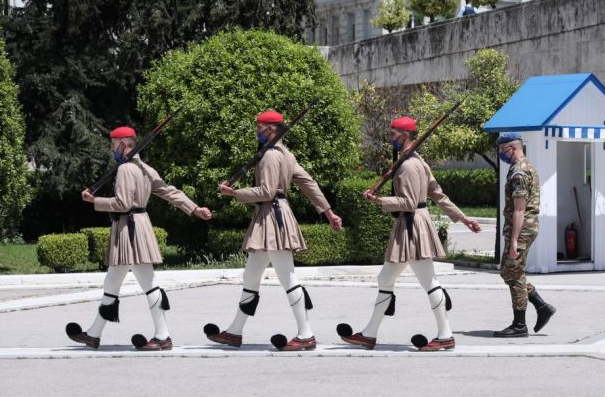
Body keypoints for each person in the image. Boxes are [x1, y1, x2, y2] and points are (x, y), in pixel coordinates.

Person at [337, 116, 481, 351]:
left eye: (393, 134)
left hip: (413, 226)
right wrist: (463, 218)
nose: (390, 138)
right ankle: (369, 333)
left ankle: (445, 335)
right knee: (386, 279)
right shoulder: (418, 162)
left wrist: (379, 200)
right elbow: (439, 195)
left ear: (404, 135)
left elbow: (409, 202)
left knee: (429, 282)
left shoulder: (407, 165)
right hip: (410, 225)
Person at [205, 110, 343, 351]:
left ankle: (306, 334)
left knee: (288, 277)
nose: (256, 130)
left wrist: (236, 193)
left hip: (273, 216)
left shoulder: (270, 156)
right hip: (269, 216)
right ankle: (235, 332)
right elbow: (309, 183)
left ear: (270, 129)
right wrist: (328, 211)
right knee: (251, 276)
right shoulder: (286, 154)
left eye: (259, 127)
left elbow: (267, 192)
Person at [68, 125, 212, 350]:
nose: (111, 149)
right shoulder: (145, 168)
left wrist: (94, 201)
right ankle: (94, 333)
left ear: (123, 144)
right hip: (135, 226)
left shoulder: (125, 169)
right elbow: (169, 191)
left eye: (113, 145)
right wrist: (194, 209)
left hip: (130, 228)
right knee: (112, 282)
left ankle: (163, 336)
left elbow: (122, 204)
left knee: (149, 283)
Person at [493, 133, 557, 338]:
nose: (501, 154)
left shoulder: (519, 172)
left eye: (502, 150)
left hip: (521, 230)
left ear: (512, 148)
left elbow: (519, 209)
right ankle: (541, 306)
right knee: (509, 271)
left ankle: (520, 324)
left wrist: (513, 240)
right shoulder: (525, 166)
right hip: (524, 229)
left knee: (512, 274)